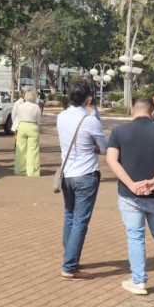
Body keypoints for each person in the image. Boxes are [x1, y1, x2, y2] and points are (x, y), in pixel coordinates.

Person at [105, 98, 154, 295]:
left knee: (135, 237)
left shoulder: (119, 131)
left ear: (132, 111)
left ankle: (139, 281)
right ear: (152, 113)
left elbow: (111, 160)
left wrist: (131, 184)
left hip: (129, 195)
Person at [56, 80, 108, 280]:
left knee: (70, 216)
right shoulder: (90, 120)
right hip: (86, 175)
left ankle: (70, 256)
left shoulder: (61, 117)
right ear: (89, 98)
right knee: (79, 221)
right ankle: (70, 266)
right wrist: (93, 146)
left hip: (67, 174)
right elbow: (104, 148)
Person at [11, 87, 41, 176]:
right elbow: (38, 120)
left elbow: (18, 118)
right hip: (33, 127)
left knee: (20, 150)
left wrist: (15, 128)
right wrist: (38, 127)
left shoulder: (20, 106)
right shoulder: (36, 107)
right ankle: (32, 171)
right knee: (33, 150)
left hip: (22, 126)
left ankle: (20, 170)